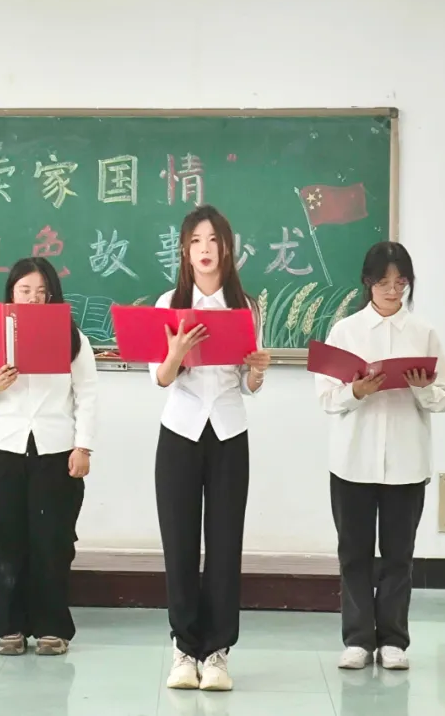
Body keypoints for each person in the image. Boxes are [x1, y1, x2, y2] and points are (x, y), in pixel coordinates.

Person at [316, 242, 445, 672]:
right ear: (368, 282)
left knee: (398, 555)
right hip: (352, 461)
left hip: (407, 461)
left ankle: (393, 640)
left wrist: (421, 388)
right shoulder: (345, 332)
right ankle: (358, 639)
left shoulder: (423, 333)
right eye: (384, 282)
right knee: (354, 554)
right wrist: (356, 391)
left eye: (401, 282)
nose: (393, 290)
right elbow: (326, 398)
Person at [149, 205, 270, 692]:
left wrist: (257, 371)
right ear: (184, 249)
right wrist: (176, 354)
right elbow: (160, 378)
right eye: (196, 240)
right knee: (179, 543)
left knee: (223, 545)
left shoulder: (246, 306)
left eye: (213, 240)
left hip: (228, 433)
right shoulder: (168, 302)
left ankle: (217, 653)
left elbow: (247, 383)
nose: (205, 248)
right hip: (179, 431)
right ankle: (184, 649)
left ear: (226, 248)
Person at [0, 256, 97, 657]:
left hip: (56, 450)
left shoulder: (73, 338)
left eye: (41, 292)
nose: (33, 298)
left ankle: (52, 628)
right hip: (1, 447)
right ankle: (9, 627)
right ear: (11, 294)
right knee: (2, 540)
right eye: (25, 291)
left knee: (52, 541)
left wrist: (83, 446)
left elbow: (87, 395)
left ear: (52, 296)